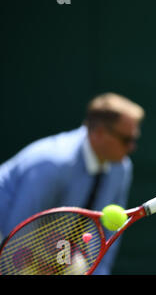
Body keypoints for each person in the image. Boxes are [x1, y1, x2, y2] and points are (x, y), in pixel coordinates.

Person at [0, 92, 144, 274]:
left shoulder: (121, 168)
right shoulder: (53, 164)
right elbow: (16, 234)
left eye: (134, 139)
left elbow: (109, 234)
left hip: (49, 242)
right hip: (9, 233)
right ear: (99, 133)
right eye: (126, 140)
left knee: (77, 268)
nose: (132, 147)